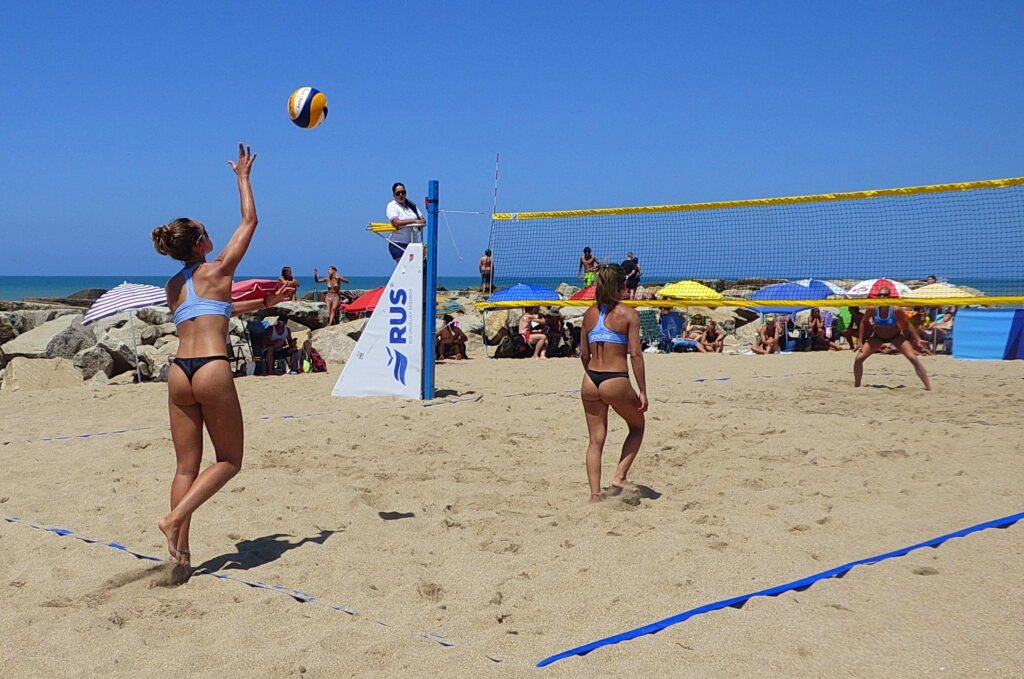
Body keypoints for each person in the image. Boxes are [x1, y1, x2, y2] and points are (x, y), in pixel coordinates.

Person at [151, 144, 291, 569]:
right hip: (212, 369)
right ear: (200, 244)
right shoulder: (219, 269)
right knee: (229, 460)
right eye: (206, 231)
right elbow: (250, 221)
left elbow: (214, 311)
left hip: (179, 372)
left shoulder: (174, 287)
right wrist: (243, 178)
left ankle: (180, 557)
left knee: (185, 468)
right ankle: (173, 519)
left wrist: (265, 301)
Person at [580, 265, 648, 502]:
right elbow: (636, 355)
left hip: (590, 379)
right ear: (621, 286)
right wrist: (642, 390)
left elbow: (584, 354)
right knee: (637, 427)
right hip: (615, 378)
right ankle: (619, 477)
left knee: (595, 440)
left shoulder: (589, 314)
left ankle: (595, 495)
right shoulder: (629, 314)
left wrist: (592, 374)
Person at [854, 286, 931, 390]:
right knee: (858, 359)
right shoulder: (872, 308)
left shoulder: (895, 309)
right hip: (878, 337)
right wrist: (860, 340)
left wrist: (918, 339)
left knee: (913, 358)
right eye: (880, 295)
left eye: (885, 295)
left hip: (896, 337)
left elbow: (907, 324)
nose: (882, 297)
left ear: (889, 296)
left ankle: (928, 387)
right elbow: (863, 322)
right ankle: (857, 386)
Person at [386, 182, 425, 262]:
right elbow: (395, 222)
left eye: (403, 192)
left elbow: (422, 219)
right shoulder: (392, 206)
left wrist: (420, 223)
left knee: (421, 266)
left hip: (413, 243)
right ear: (394, 195)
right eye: (398, 193)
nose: (401, 195)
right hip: (398, 243)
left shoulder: (411, 205)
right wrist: (414, 221)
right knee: (407, 265)